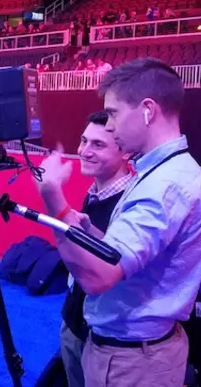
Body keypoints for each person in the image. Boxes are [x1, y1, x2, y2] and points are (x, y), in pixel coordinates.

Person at [36, 58, 201, 387]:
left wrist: (54, 202)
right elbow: (126, 256)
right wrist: (88, 232)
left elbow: (97, 277)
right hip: (130, 353)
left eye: (114, 114)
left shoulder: (166, 185)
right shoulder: (159, 172)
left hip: (133, 361)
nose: (110, 126)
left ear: (148, 110)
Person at [56, 111, 132, 387]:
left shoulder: (132, 202)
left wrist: (54, 199)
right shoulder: (96, 191)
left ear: (125, 152)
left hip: (104, 337)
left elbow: (110, 270)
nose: (84, 151)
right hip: (75, 321)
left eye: (97, 145)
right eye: (83, 141)